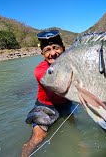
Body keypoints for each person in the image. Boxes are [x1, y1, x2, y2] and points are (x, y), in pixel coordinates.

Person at [22, 29, 75, 157]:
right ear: (42, 54)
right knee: (38, 138)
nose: (53, 53)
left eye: (56, 48)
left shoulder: (72, 62)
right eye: (47, 50)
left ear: (63, 48)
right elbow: (61, 85)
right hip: (45, 106)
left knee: (74, 128)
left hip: (66, 103)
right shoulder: (40, 70)